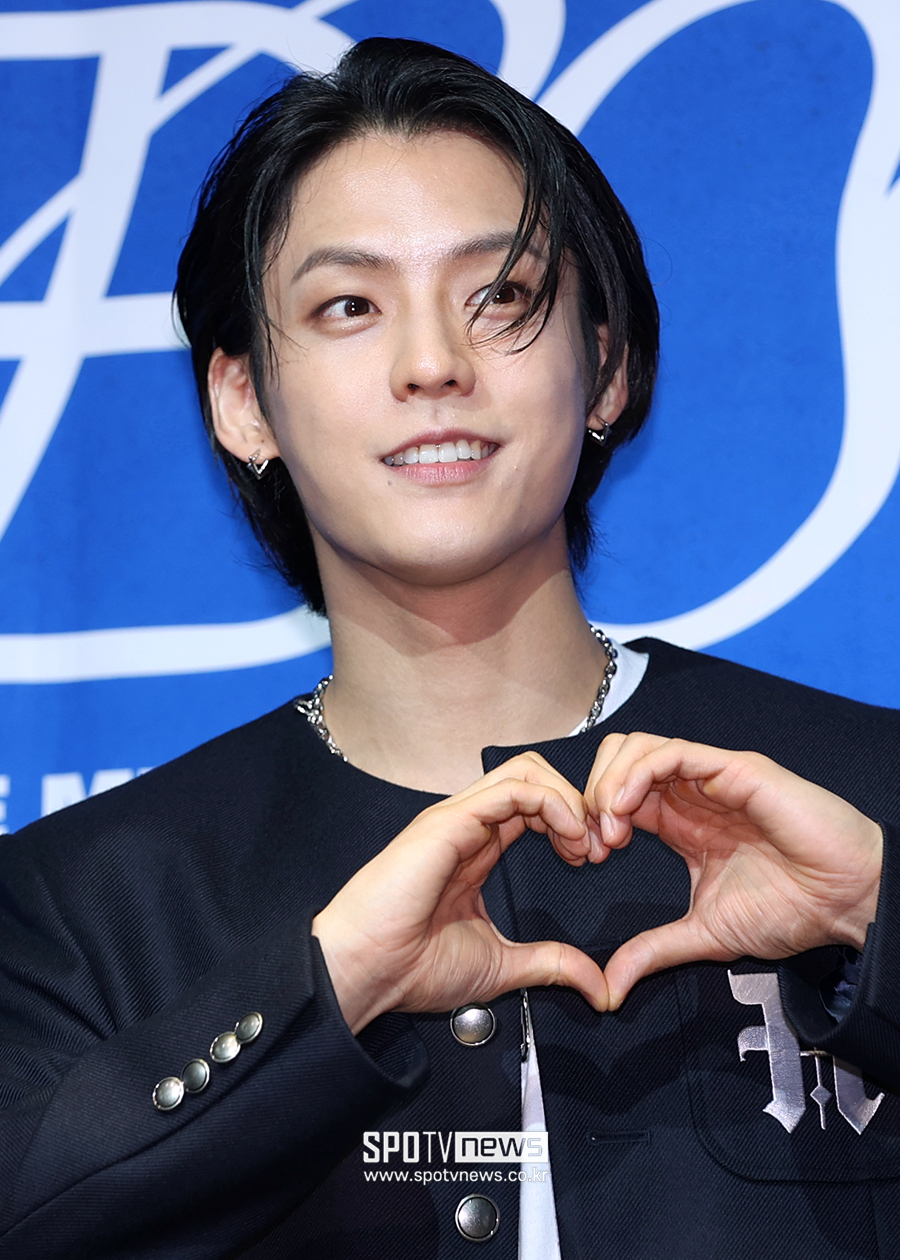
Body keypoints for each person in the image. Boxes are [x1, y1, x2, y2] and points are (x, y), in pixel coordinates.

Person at [0, 36, 897, 1260]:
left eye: (502, 297)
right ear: (244, 402)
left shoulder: (867, 798)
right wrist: (326, 989)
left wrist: (880, 912)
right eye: (349, 307)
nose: (433, 365)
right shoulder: (80, 907)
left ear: (606, 367)